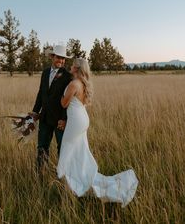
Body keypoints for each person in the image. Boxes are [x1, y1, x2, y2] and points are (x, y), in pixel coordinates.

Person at [57, 58, 138, 207]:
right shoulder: (81, 83)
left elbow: (63, 103)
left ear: (77, 68)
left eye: (73, 65)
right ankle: (78, 177)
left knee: (67, 149)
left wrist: (59, 92)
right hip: (81, 119)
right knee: (79, 151)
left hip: (76, 121)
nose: (71, 66)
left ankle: (73, 183)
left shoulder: (73, 84)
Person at [31, 45, 72, 171]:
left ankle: (62, 175)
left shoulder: (67, 76)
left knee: (62, 148)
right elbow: (41, 93)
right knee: (42, 147)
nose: (61, 61)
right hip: (44, 117)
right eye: (59, 57)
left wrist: (64, 119)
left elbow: (69, 100)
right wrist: (35, 111)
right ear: (52, 57)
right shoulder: (45, 72)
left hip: (60, 120)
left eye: (63, 58)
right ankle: (41, 173)